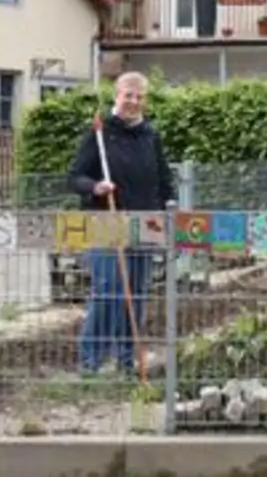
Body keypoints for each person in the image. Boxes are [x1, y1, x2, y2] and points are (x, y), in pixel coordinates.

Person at [67, 72, 176, 376]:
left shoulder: (149, 135)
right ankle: (91, 361)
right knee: (109, 289)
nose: (134, 102)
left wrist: (170, 211)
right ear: (117, 95)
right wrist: (95, 187)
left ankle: (127, 360)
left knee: (137, 294)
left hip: (145, 224)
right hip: (106, 221)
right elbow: (74, 178)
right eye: (128, 95)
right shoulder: (99, 133)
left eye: (140, 97)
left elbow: (163, 180)